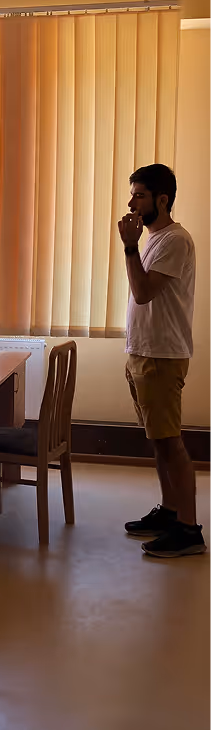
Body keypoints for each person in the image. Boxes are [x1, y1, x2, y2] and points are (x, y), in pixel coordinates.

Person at [118, 163, 203, 558]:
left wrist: (130, 246)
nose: (131, 202)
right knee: (158, 441)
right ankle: (170, 511)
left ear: (162, 200)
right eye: (133, 193)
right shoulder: (155, 238)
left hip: (162, 356)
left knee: (171, 443)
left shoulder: (175, 240)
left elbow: (143, 293)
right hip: (142, 352)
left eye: (139, 194)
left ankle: (188, 530)